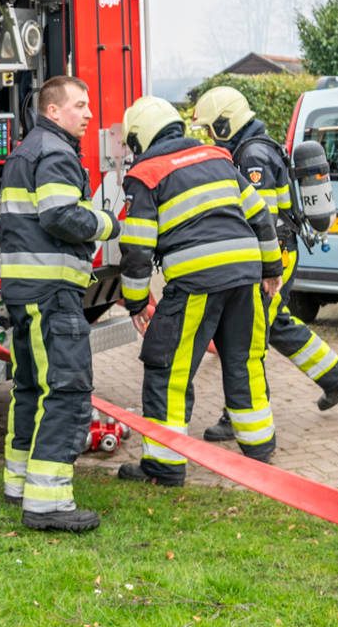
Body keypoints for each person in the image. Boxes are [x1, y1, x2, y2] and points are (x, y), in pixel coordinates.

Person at [115, 95, 281, 484]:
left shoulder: (146, 173)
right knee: (245, 360)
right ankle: (259, 449)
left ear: (140, 137)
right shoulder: (218, 157)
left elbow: (137, 246)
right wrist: (271, 267)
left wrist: (136, 301)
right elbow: (259, 215)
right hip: (244, 276)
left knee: (167, 369)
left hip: (195, 284)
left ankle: (164, 467)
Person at [190, 88, 338, 456]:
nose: (209, 135)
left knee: (248, 338)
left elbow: (260, 218)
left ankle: (240, 415)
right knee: (276, 324)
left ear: (225, 122)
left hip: (273, 257)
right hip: (280, 254)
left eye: (211, 128)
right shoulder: (254, 146)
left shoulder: (252, 154)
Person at [0, 75, 120, 532]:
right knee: (67, 393)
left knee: (30, 388)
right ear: (54, 111)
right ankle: (48, 504)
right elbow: (60, 215)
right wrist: (107, 224)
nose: (89, 114)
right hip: (52, 295)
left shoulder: (27, 149)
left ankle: (20, 482)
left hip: (26, 292)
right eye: (80, 105)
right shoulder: (55, 152)